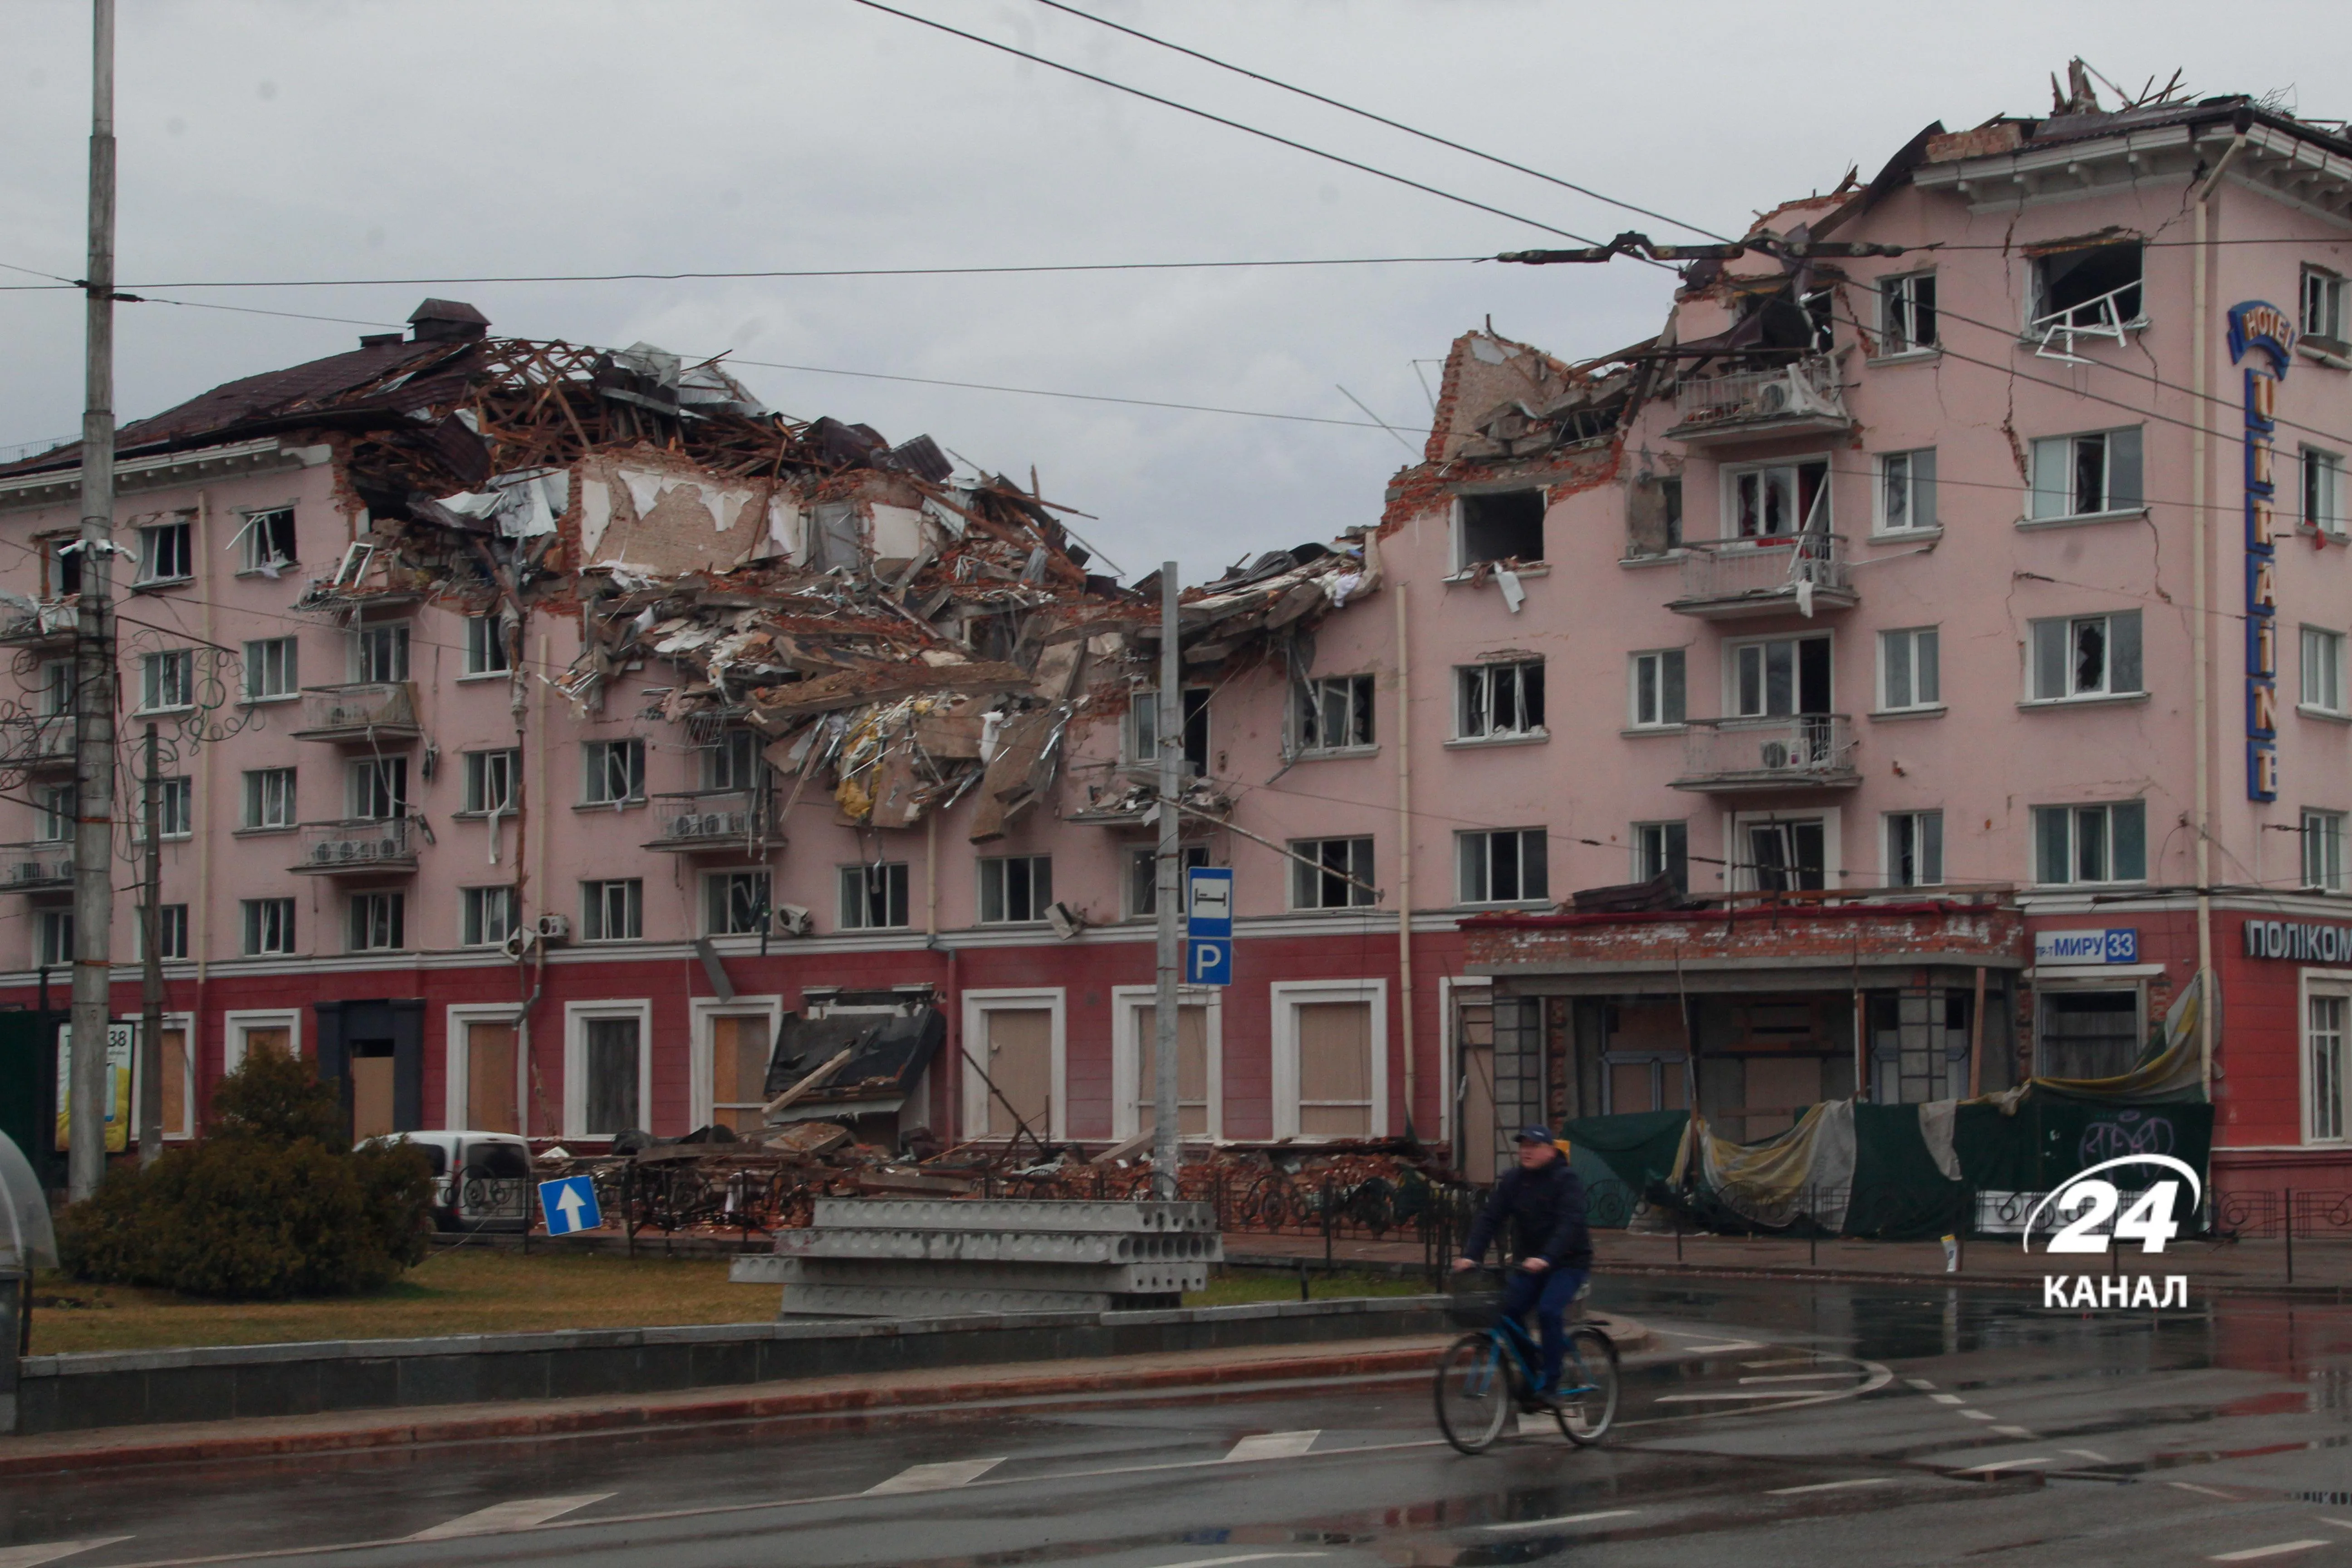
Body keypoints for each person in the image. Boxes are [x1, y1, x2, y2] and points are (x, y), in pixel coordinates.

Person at [1452, 1126, 1591, 1402]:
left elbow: (1569, 1224)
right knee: (1507, 1312)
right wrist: (1472, 1255)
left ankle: (1552, 1382)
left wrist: (1548, 1258)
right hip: (1529, 1263)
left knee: (1549, 1311)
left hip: (1568, 1262)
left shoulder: (1566, 1180)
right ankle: (1533, 1370)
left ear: (1551, 1151)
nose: (1526, 1151)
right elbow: (1490, 1217)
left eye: (1534, 1146)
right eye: (1523, 1146)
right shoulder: (1515, 1181)